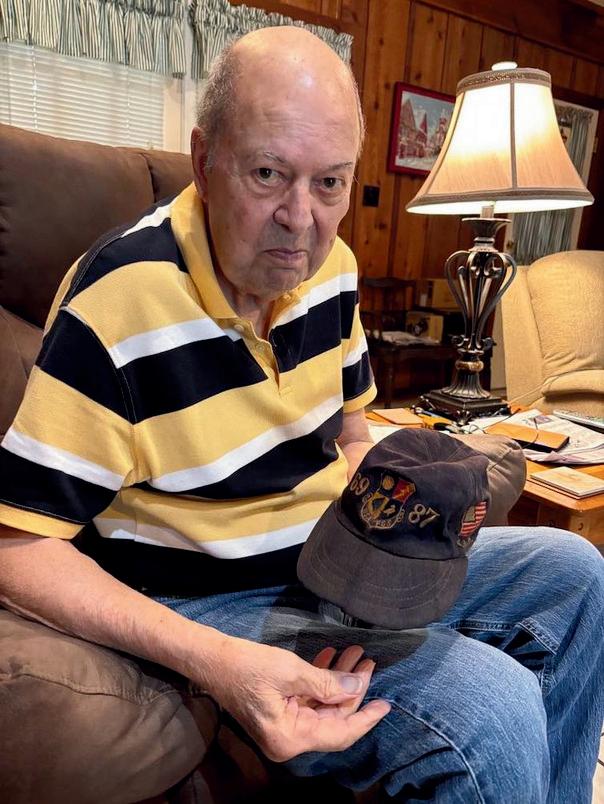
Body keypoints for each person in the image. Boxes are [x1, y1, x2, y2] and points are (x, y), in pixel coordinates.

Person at [0, 25, 602, 803]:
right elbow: (18, 547)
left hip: (334, 556)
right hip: (210, 598)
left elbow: (350, 430)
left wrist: (387, 540)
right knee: (494, 707)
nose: (301, 219)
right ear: (205, 161)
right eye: (268, 173)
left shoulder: (335, 269)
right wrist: (217, 662)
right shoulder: (117, 301)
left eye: (330, 183)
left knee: (578, 574)